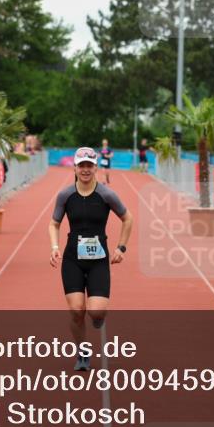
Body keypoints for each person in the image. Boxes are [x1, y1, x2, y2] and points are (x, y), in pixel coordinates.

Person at [49, 147, 133, 372]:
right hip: (72, 260)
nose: (85, 169)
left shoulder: (106, 194)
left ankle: (98, 316)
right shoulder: (65, 195)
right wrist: (55, 247)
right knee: (77, 311)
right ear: (75, 168)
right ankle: (83, 352)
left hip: (98, 261)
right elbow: (54, 223)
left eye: (89, 165)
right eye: (81, 165)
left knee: (96, 312)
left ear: (96, 167)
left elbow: (128, 218)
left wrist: (121, 247)